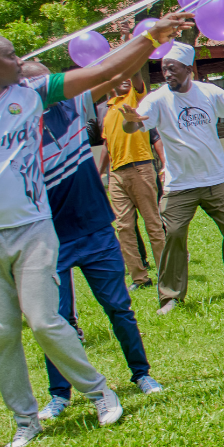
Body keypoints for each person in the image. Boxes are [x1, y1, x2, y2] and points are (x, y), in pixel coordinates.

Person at [0, 14, 190, 447]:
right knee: (0, 333)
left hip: (32, 230)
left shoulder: (33, 94)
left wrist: (150, 37)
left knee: (46, 320)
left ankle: (99, 390)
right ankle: (25, 420)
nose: (19, 59)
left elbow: (102, 71)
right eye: (10, 54)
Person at [19, 62, 164, 423]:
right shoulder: (17, 127)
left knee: (119, 308)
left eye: (39, 82)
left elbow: (115, 74)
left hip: (96, 230)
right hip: (49, 238)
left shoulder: (74, 106)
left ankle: (142, 373)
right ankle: (59, 394)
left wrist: (144, 38)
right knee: (57, 320)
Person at [119, 43, 224, 315]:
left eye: (172, 69)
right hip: (179, 185)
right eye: (164, 69)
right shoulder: (157, 99)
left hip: (215, 180)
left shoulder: (208, 92)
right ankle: (170, 297)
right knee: (173, 235)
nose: (167, 74)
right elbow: (137, 124)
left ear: (188, 69)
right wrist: (129, 121)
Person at [98, 72, 167, 290]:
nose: (124, 80)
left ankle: (166, 272)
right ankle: (139, 278)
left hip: (140, 167)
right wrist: (98, 174)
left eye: (126, 76)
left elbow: (136, 79)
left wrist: (130, 59)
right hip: (116, 173)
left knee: (153, 224)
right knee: (124, 227)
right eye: (118, 77)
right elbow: (106, 145)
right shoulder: (108, 109)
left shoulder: (135, 100)